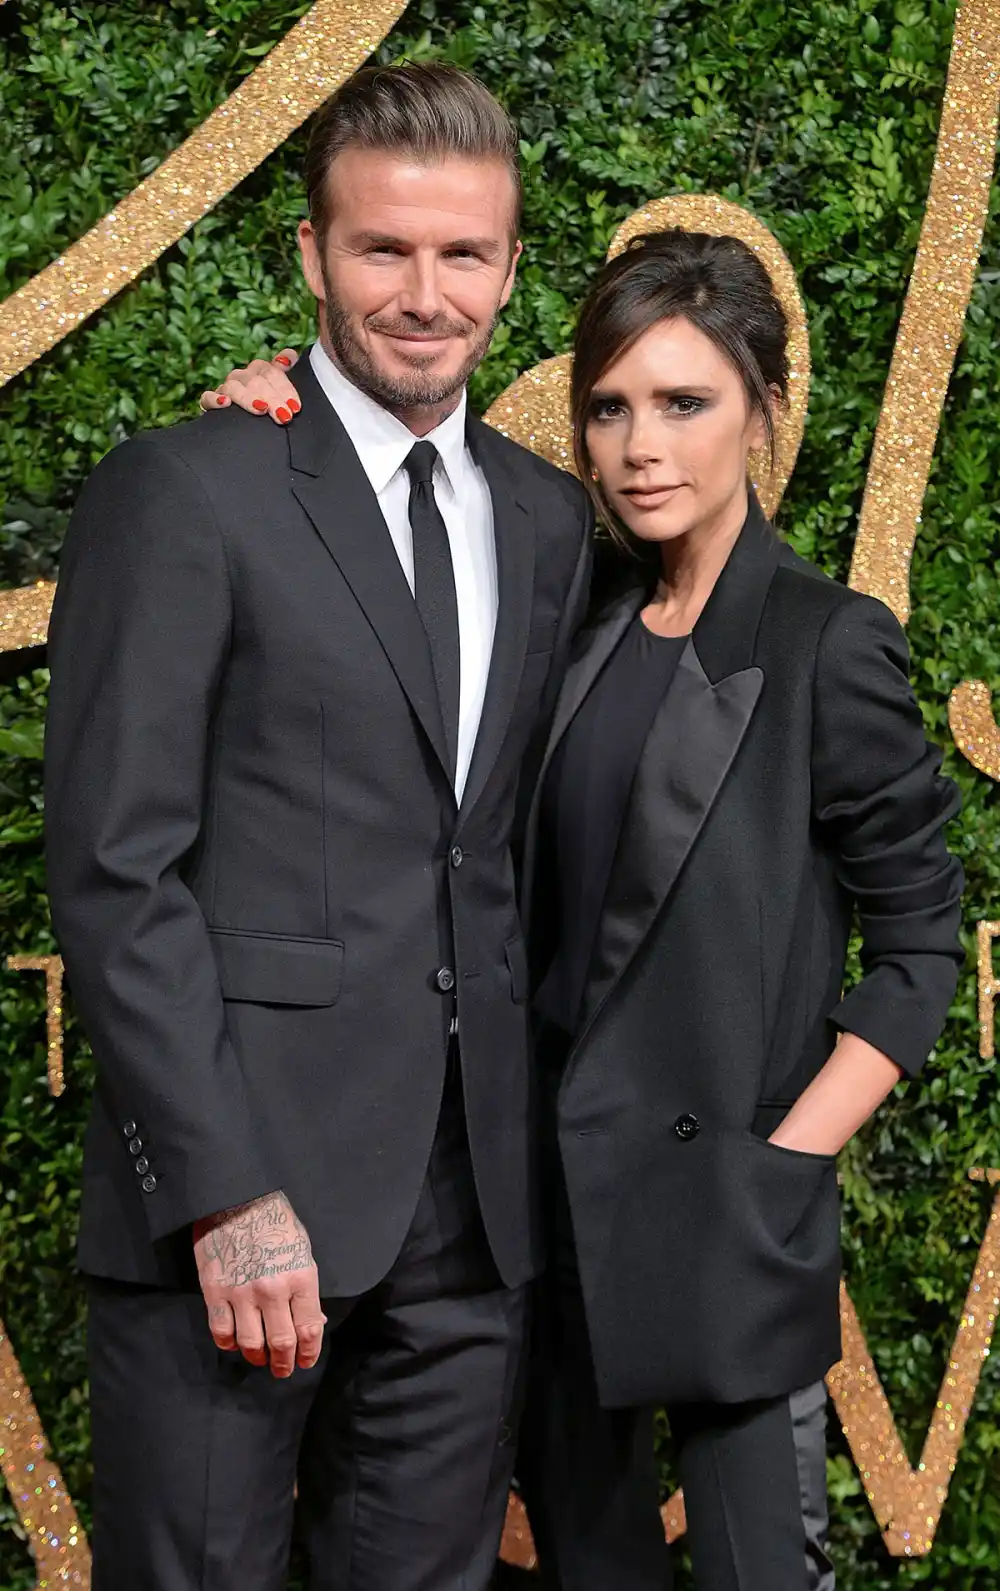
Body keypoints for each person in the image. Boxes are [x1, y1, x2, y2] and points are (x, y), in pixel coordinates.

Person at [222, 229, 964, 1589]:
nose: (640, 446)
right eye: (610, 407)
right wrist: (276, 424)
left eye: (685, 403)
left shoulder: (822, 641)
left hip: (726, 1208)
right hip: (550, 1217)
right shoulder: (571, 607)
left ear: (762, 411)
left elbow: (922, 945)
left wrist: (783, 1160)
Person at [44, 63, 592, 1591]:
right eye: (383, 251)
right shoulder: (190, 490)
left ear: (510, 268)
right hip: (243, 1204)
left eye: (463, 254)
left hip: (474, 1219)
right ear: (309, 256)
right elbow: (112, 868)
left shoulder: (548, 523)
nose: (426, 295)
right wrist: (221, 1191)